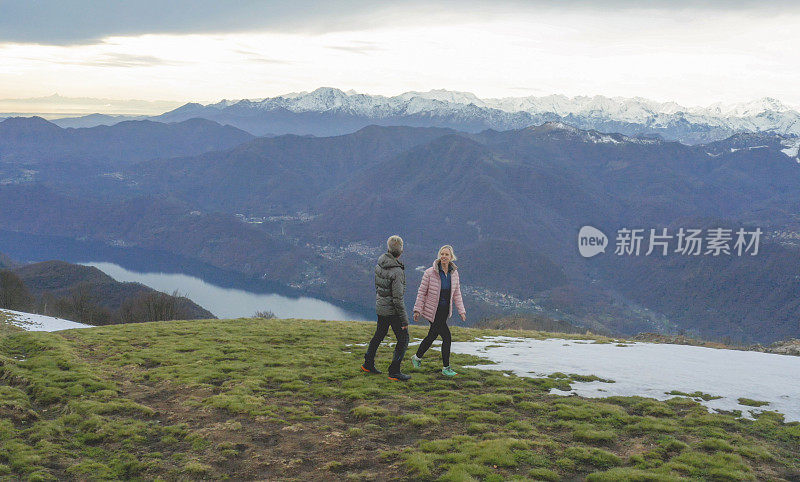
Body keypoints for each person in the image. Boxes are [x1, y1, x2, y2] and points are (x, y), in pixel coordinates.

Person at [411, 245, 466, 376]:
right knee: (447, 337)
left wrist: (461, 311)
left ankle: (417, 357)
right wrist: (417, 309)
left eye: (446, 254)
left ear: (451, 257)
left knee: (432, 336)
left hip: (445, 311)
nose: (444, 257)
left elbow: (456, 293)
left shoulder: (454, 273)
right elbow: (422, 292)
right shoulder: (430, 272)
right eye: (442, 254)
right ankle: (446, 367)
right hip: (433, 312)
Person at [362, 235, 411, 381]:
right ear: (401, 251)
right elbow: (397, 298)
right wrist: (404, 320)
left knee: (379, 334)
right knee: (403, 338)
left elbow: (379, 287)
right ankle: (394, 371)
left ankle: (368, 363)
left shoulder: (379, 264)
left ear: (388, 248)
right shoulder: (397, 271)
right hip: (393, 311)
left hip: (381, 307)